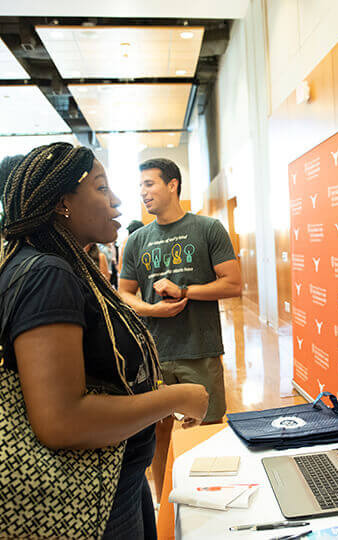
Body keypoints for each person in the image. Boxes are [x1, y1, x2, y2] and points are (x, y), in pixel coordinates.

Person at [0, 143, 208, 539]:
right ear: (63, 203)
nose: (116, 200)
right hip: (93, 501)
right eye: (100, 188)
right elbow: (62, 421)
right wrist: (176, 397)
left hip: (115, 485)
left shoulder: (49, 264)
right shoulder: (48, 273)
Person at [119, 157, 241, 501]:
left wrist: (185, 291)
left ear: (173, 185)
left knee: (208, 429)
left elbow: (233, 283)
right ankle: (163, 503)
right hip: (153, 355)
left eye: (149, 184)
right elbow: (124, 293)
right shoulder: (137, 240)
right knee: (154, 435)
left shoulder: (207, 229)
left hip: (198, 350)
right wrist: (152, 309)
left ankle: (214, 500)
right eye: (140, 186)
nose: (143, 193)